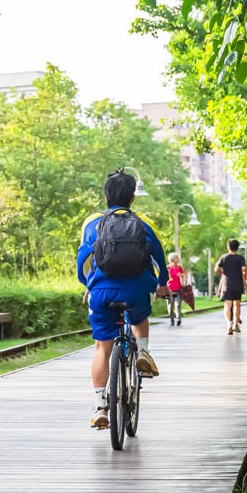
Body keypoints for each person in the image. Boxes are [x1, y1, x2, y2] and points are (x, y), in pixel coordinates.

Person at [77, 169, 169, 429]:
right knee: (139, 318)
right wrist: (162, 283)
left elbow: (82, 258)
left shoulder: (93, 222)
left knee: (101, 348)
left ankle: (100, 407)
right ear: (132, 198)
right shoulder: (143, 222)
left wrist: (87, 284)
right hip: (137, 289)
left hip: (101, 292)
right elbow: (159, 257)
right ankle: (143, 352)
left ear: (106, 196)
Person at [215, 239, 247, 335]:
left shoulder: (223, 257)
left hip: (227, 284)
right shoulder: (240, 258)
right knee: (237, 304)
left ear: (228, 247)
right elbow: (244, 269)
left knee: (227, 305)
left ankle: (229, 324)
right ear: (237, 248)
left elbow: (216, 269)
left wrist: (223, 272)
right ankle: (236, 324)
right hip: (237, 283)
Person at [166, 253, 185, 326]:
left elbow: (184, 275)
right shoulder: (167, 268)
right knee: (170, 306)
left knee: (178, 305)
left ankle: (178, 319)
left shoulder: (179, 268)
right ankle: (172, 319)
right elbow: (164, 276)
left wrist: (182, 275)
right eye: (176, 258)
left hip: (178, 289)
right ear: (172, 260)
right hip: (169, 289)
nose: (178, 259)